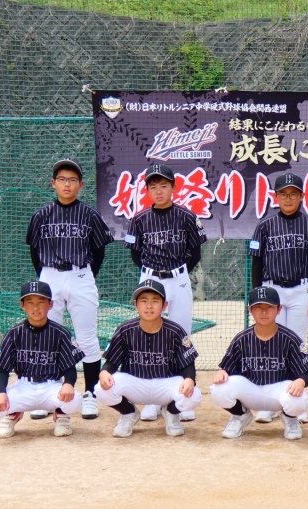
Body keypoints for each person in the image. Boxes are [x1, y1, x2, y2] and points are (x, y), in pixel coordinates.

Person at [26, 158, 114, 420]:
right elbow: (34, 252)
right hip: (49, 276)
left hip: (80, 275)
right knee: (47, 336)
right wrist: (46, 277)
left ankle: (90, 394)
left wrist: (84, 275)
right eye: (62, 179)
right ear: (53, 183)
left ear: (81, 185)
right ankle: (49, 393)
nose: (67, 184)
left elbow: (99, 251)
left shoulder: (90, 215)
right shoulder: (41, 215)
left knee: (86, 337)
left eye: (73, 180)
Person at [124, 164, 207, 422]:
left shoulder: (187, 216)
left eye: (163, 185)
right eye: (153, 186)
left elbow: (195, 253)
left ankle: (182, 397)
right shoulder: (139, 219)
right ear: (147, 190)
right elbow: (135, 253)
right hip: (150, 278)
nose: (158, 191)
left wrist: (179, 272)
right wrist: (151, 274)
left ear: (173, 187)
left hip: (178, 277)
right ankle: (152, 399)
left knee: (181, 334)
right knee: (149, 333)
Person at [249, 172, 308, 424]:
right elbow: (256, 262)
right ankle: (269, 403)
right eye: (283, 194)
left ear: (301, 196)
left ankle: (296, 402)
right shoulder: (264, 226)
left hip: (300, 290)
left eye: (293, 194)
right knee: (270, 343)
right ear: (275, 197)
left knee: (297, 344)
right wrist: (256, 297)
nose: (288, 198)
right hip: (271, 290)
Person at [94, 280, 202, 438]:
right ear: (136, 305)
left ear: (164, 306)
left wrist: (189, 379)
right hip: (135, 383)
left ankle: (170, 412)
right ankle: (129, 413)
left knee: (194, 395)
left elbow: (188, 363)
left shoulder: (175, 331)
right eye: (144, 301)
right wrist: (104, 372)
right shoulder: (125, 329)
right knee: (101, 389)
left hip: (165, 384)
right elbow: (112, 361)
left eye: (155, 301)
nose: (149, 306)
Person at [211, 286, 308, 440]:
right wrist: (223, 372)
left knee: (299, 400)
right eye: (258, 307)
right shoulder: (242, 339)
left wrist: (301, 381)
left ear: (279, 309)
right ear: (250, 310)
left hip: (278, 391)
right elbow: (228, 368)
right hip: (251, 391)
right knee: (219, 388)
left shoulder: (290, 338)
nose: (264, 312)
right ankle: (240, 415)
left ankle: (290, 418)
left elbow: (305, 375)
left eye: (269, 307)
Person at [0, 281, 84, 438]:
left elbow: (69, 367)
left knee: (75, 400)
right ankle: (13, 414)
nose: (36, 307)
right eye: (30, 302)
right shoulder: (13, 333)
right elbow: (3, 370)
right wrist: (0, 392)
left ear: (50, 304)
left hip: (52, 388)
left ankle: (61, 414)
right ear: (22, 305)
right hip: (23, 387)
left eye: (41, 302)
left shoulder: (61, 333)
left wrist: (68, 384)